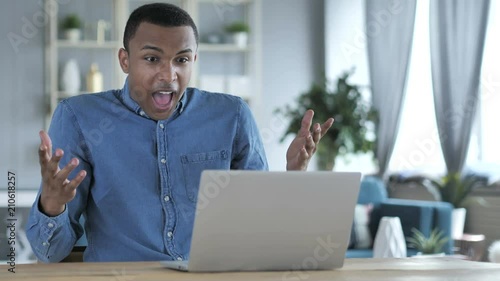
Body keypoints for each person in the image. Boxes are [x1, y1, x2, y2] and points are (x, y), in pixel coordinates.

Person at [27, 3, 334, 263]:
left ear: (194, 60)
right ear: (125, 60)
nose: (168, 74)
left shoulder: (232, 115)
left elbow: (260, 231)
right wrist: (53, 206)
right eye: (151, 58)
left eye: (182, 60)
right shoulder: (79, 117)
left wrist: (295, 176)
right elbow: (49, 253)